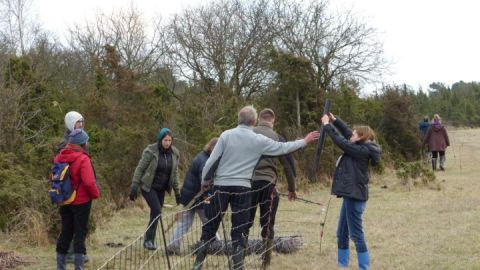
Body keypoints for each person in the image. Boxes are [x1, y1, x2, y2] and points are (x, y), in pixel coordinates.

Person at [192, 105, 320, 270]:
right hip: (243, 188)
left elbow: (211, 162)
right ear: (253, 121)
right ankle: (238, 266)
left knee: (210, 225)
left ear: (239, 120)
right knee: (239, 229)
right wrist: (304, 141)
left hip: (221, 187)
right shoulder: (257, 140)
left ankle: (197, 264)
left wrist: (205, 182)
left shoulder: (226, 135)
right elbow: (283, 148)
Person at [321, 113, 381, 270]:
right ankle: (343, 265)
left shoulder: (362, 151)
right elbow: (347, 133)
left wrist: (327, 125)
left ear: (361, 137)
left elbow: (342, 142)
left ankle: (364, 267)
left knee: (356, 235)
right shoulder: (361, 145)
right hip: (350, 195)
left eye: (355, 133)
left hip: (355, 197)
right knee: (341, 232)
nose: (351, 134)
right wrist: (335, 121)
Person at [245, 108, 297, 268]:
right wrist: (292, 188)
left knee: (243, 222)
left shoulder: (249, 134)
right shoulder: (277, 137)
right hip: (268, 184)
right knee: (267, 224)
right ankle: (265, 262)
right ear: (272, 122)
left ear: (259, 119)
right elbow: (287, 165)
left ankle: (239, 259)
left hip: (248, 184)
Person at [54, 129, 100, 270]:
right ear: (82, 144)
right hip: (81, 202)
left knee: (66, 232)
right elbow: (89, 182)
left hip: (65, 200)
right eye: (86, 142)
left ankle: (60, 267)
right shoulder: (83, 158)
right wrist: (95, 194)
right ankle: (78, 267)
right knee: (80, 234)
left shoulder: (59, 157)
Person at [129, 128, 181, 250]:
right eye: (165, 140)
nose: (167, 143)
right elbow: (140, 169)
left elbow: (175, 173)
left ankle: (150, 241)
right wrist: (134, 186)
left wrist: (177, 192)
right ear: (160, 140)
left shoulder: (175, 153)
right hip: (148, 187)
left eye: (169, 140)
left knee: (156, 214)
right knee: (157, 210)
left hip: (161, 189)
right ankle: (148, 240)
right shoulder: (151, 151)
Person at [167, 138, 221, 255]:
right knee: (209, 221)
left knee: (187, 223)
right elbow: (205, 181)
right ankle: (218, 245)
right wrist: (208, 196)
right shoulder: (205, 161)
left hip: (189, 196)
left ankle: (172, 246)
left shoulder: (203, 156)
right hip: (197, 197)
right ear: (213, 148)